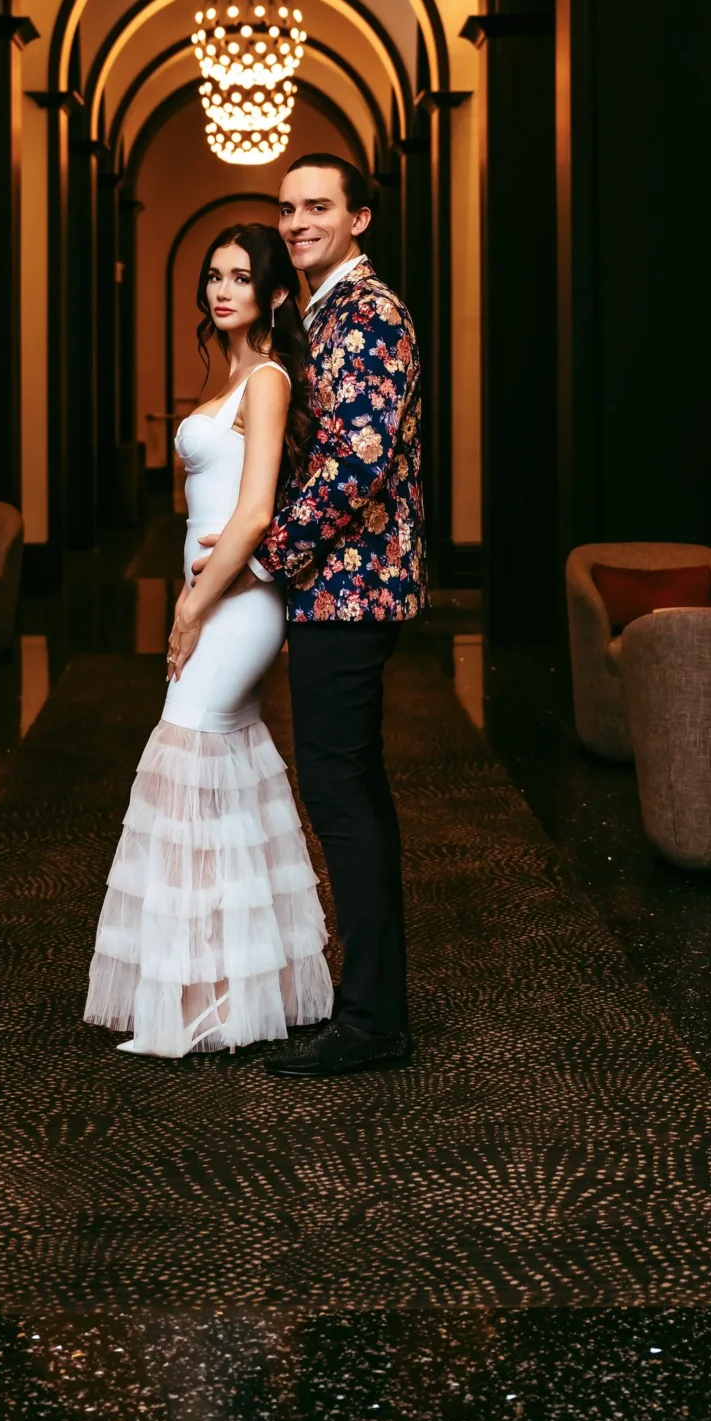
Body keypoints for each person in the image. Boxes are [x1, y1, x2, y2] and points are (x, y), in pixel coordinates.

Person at [197, 155, 423, 1078]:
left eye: (318, 207)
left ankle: (371, 1023)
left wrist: (262, 551)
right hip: (329, 585)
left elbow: (355, 465)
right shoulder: (316, 312)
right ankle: (371, 1005)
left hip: (351, 585)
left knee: (338, 792)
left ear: (359, 218)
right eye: (287, 208)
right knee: (349, 789)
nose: (296, 222)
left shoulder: (371, 315)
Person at [84, 223, 333, 1059]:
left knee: (188, 759)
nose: (221, 290)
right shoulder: (226, 375)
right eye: (212, 276)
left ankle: (207, 996)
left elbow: (257, 511)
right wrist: (190, 595)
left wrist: (191, 607)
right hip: (211, 593)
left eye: (240, 277)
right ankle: (226, 992)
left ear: (271, 293)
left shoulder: (265, 378)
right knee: (214, 775)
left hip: (241, 601)